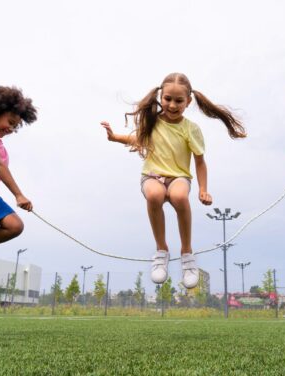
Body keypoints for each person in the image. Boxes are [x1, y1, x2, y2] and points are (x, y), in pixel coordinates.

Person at [102, 72, 246, 288]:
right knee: (154, 194)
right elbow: (138, 139)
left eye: (179, 100)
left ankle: (187, 253)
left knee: (179, 196)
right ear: (161, 97)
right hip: (152, 175)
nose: (172, 105)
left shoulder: (191, 129)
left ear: (188, 101)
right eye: (168, 99)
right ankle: (161, 251)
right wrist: (114, 138)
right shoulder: (152, 122)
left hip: (179, 176)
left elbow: (199, 161)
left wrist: (203, 189)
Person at [0, 86, 37, 251]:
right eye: (10, 122)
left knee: (14, 225)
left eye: (15, 127)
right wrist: (18, 195)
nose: (11, 129)